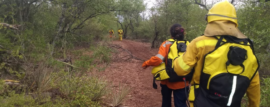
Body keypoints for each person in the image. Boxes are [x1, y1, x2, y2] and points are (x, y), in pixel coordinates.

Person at [173, 1, 260, 107]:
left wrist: (177, 60)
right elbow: (254, 85)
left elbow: (180, 70)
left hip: (200, 102)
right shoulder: (248, 49)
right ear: (234, 22)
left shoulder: (199, 43)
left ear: (210, 19)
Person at [142, 24, 189, 107]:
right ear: (183, 33)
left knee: (166, 102)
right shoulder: (189, 44)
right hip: (183, 80)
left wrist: (146, 63)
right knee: (181, 104)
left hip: (167, 80)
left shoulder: (166, 44)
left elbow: (158, 59)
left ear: (171, 34)